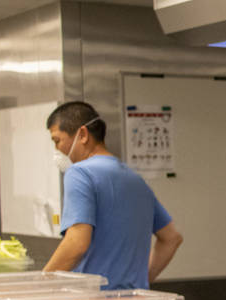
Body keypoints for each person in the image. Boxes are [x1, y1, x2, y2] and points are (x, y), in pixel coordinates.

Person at [44, 101, 183, 289]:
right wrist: (140, 281)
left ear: (83, 135)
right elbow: (172, 238)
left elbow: (76, 243)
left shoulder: (80, 173)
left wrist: (42, 285)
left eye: (57, 140)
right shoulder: (135, 179)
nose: (57, 150)